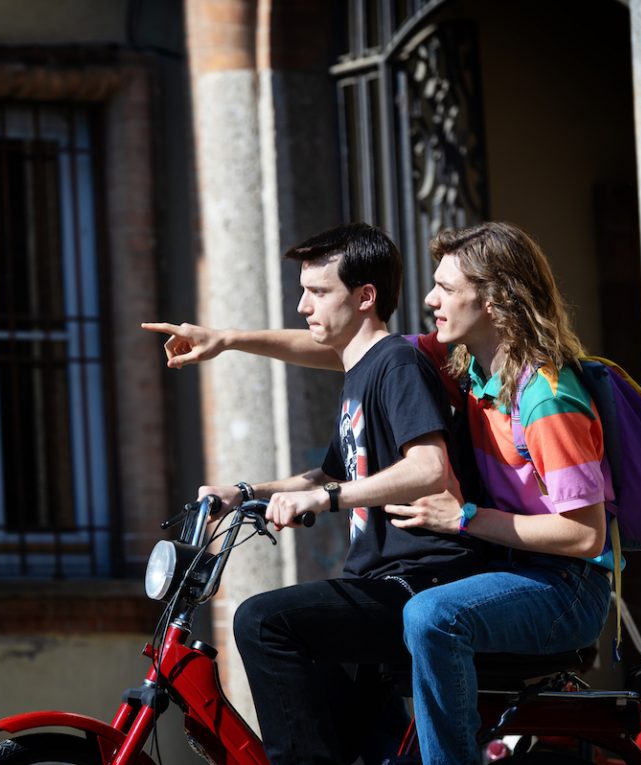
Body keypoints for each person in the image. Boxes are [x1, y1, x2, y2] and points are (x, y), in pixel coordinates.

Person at [144, 220, 614, 765]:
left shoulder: (545, 396)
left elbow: (584, 534)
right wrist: (227, 343)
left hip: (560, 582)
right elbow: (342, 348)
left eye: (446, 288)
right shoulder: (468, 372)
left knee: (399, 617)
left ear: (494, 299)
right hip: (504, 569)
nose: (429, 298)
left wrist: (461, 516)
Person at [161, 222, 485, 765]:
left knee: (263, 622)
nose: (302, 305)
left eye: (317, 292)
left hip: (419, 584)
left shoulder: (396, 365)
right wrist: (245, 493)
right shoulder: (359, 374)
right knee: (349, 734)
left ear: (365, 297)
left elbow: (430, 468)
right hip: (376, 581)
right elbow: (329, 477)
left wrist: (330, 500)